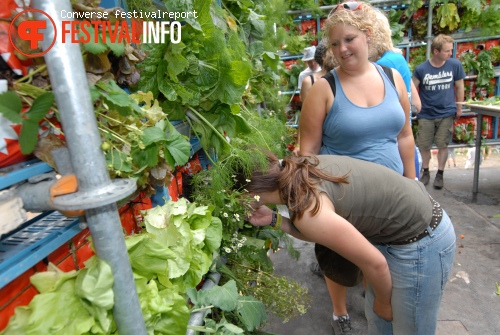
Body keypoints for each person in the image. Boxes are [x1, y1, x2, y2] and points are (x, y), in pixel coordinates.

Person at [236, 151, 456, 335]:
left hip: (422, 239)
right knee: (380, 323)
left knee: (407, 326)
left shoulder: (307, 207)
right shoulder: (298, 171)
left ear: (250, 193)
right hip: (397, 231)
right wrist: (274, 219)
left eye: (233, 197)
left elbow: (375, 264)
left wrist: (383, 301)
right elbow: (323, 231)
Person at [298, 2, 416, 333]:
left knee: (381, 258)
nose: (341, 49)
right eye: (334, 44)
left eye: (349, 39)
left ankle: (375, 304)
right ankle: (340, 312)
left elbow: (405, 135)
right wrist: (313, 207)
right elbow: (308, 151)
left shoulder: (393, 78)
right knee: (341, 261)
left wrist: (412, 180)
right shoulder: (324, 89)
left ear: (367, 36)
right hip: (345, 199)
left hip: (393, 196)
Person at [413, 34, 465, 189]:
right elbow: (412, 87)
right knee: (424, 145)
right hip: (426, 113)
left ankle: (440, 174)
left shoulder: (454, 65)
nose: (450, 54)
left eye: (451, 50)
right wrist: (415, 106)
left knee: (443, 144)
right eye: (447, 51)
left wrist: (459, 107)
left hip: (446, 112)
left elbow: (460, 86)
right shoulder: (422, 69)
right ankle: (426, 172)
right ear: (436, 51)